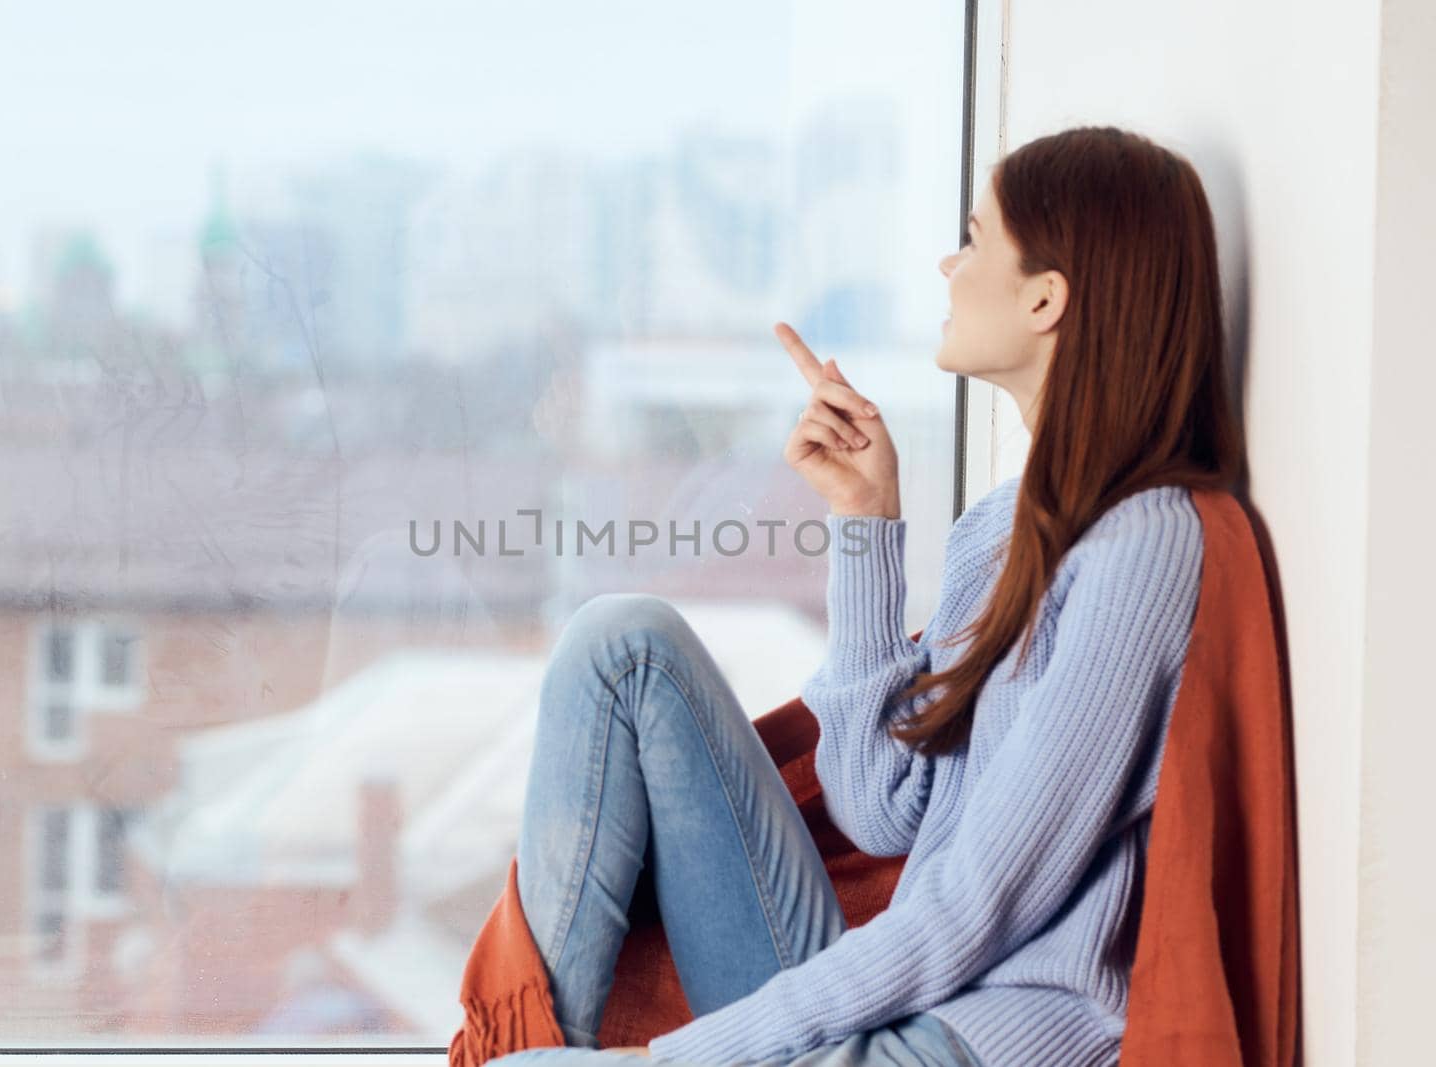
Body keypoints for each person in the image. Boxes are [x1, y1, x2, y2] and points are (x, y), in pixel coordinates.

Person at [489, 125, 1245, 1066]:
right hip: (893, 1000)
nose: (946, 263)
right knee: (621, 640)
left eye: (973, 240)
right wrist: (867, 523)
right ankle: (540, 1037)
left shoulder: (1144, 544)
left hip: (974, 1037)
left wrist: (669, 1061)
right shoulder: (1003, 528)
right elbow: (878, 807)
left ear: (1048, 297)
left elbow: (975, 908)